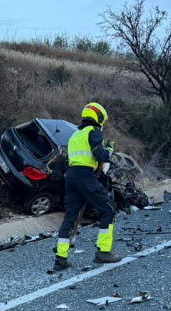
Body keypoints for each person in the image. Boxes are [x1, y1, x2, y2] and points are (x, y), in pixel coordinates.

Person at [53, 102, 123, 271]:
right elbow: (100, 155)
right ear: (99, 118)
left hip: (71, 177)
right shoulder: (94, 132)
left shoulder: (74, 135)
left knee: (70, 217)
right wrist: (110, 149)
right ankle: (103, 252)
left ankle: (60, 259)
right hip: (85, 176)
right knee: (108, 210)